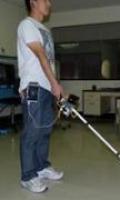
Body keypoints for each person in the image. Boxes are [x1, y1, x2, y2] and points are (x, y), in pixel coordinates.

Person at [17, 0, 64, 193]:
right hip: (34, 86)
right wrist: (54, 83)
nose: (49, 3)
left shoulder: (44, 29)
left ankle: (42, 167)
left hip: (46, 86)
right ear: (33, 2)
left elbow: (50, 62)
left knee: (44, 130)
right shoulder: (27, 25)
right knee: (32, 132)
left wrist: (56, 85)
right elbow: (40, 55)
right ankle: (28, 176)